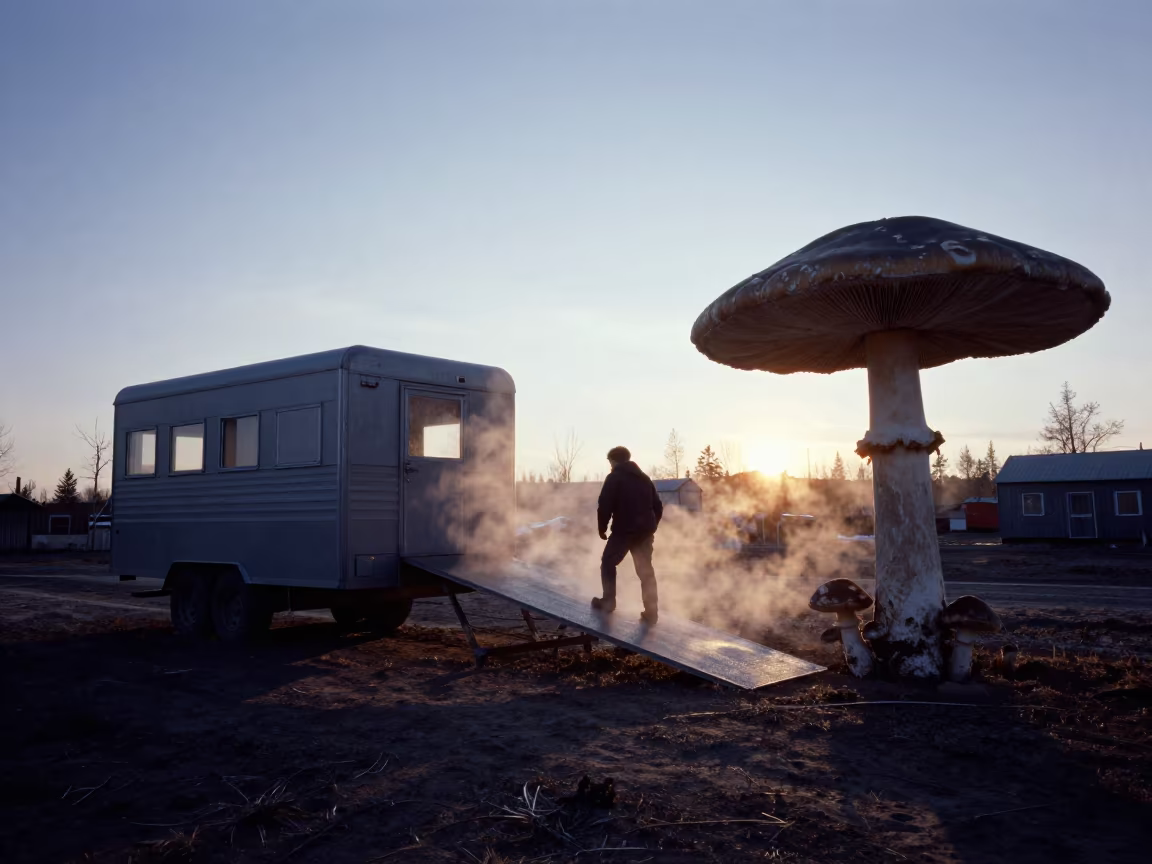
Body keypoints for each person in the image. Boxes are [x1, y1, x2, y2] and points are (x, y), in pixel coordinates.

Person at [591, 446, 663, 624]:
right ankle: (651, 613)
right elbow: (658, 506)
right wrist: (651, 527)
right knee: (646, 572)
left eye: (610, 462)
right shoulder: (645, 479)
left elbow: (605, 505)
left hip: (624, 531)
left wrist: (602, 528)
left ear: (614, 461)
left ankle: (608, 601)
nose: (610, 466)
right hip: (644, 533)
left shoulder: (614, 477)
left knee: (608, 562)